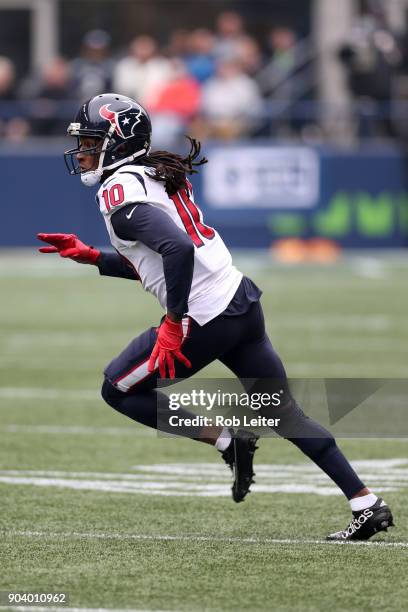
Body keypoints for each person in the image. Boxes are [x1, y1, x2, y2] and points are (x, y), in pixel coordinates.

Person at [38, 93, 394, 541]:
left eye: (91, 141)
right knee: (283, 412)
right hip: (239, 300)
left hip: (205, 315)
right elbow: (156, 261)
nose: (84, 151)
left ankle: (227, 440)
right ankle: (366, 503)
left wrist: (172, 323)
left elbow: (177, 249)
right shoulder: (153, 172)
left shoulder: (119, 190)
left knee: (117, 388)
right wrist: (93, 258)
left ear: (118, 142)